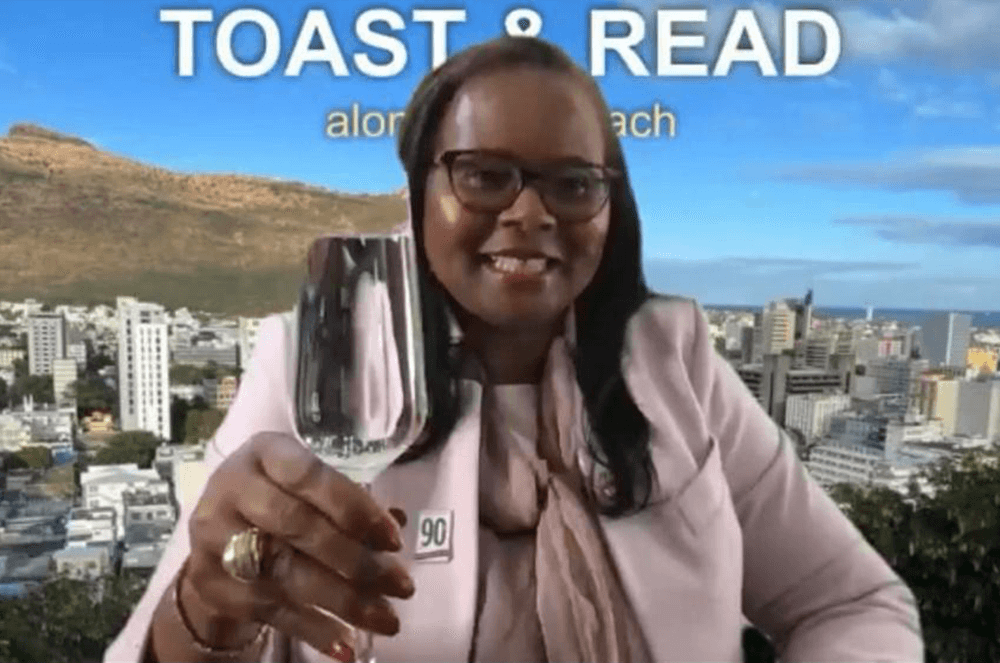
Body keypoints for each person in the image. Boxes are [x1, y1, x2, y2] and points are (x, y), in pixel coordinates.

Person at [104, 36, 924, 663]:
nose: (531, 214)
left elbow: (854, 602)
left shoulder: (672, 359)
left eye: (572, 183)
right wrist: (207, 610)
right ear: (417, 191)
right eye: (485, 175)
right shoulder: (317, 365)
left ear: (611, 205)